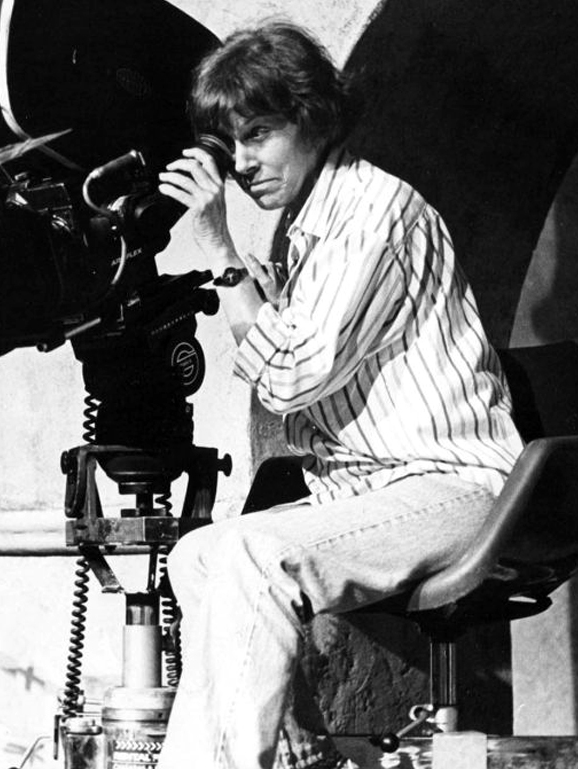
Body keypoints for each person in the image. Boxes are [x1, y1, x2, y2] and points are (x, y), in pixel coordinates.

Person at [154, 20, 524, 769]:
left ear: (315, 119)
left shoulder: (372, 214)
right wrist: (252, 292)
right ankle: (282, 753)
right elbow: (287, 385)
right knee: (197, 556)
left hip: (454, 486)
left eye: (260, 133)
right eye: (232, 143)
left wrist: (223, 254)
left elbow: (289, 378)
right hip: (366, 490)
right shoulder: (309, 229)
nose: (243, 163)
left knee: (255, 554)